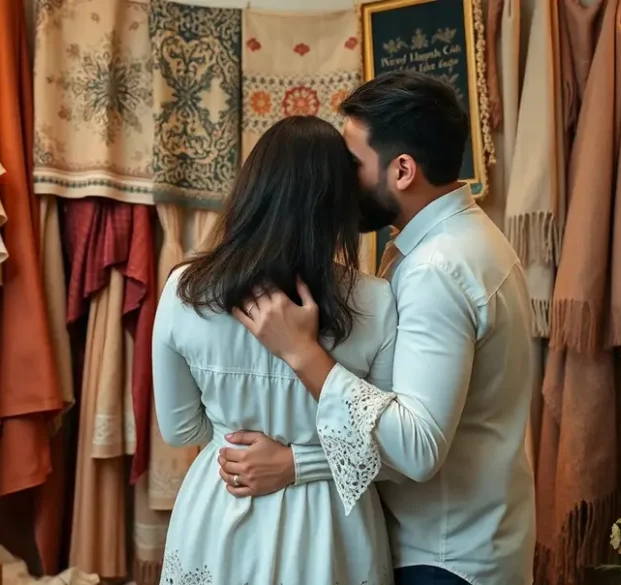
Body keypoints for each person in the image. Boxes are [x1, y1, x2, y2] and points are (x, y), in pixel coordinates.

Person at [227, 71, 537, 585]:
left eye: (352, 163)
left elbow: (417, 447)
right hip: (472, 542)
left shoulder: (438, 267)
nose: (339, 178)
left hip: (444, 558)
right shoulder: (468, 239)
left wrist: (303, 354)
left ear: (402, 170)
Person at [151, 115, 402, 584]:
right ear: (340, 204)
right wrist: (303, 457)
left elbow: (181, 430)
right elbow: (392, 449)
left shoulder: (185, 291)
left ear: (251, 190)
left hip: (220, 504)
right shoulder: (375, 301)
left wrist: (242, 429)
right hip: (331, 527)